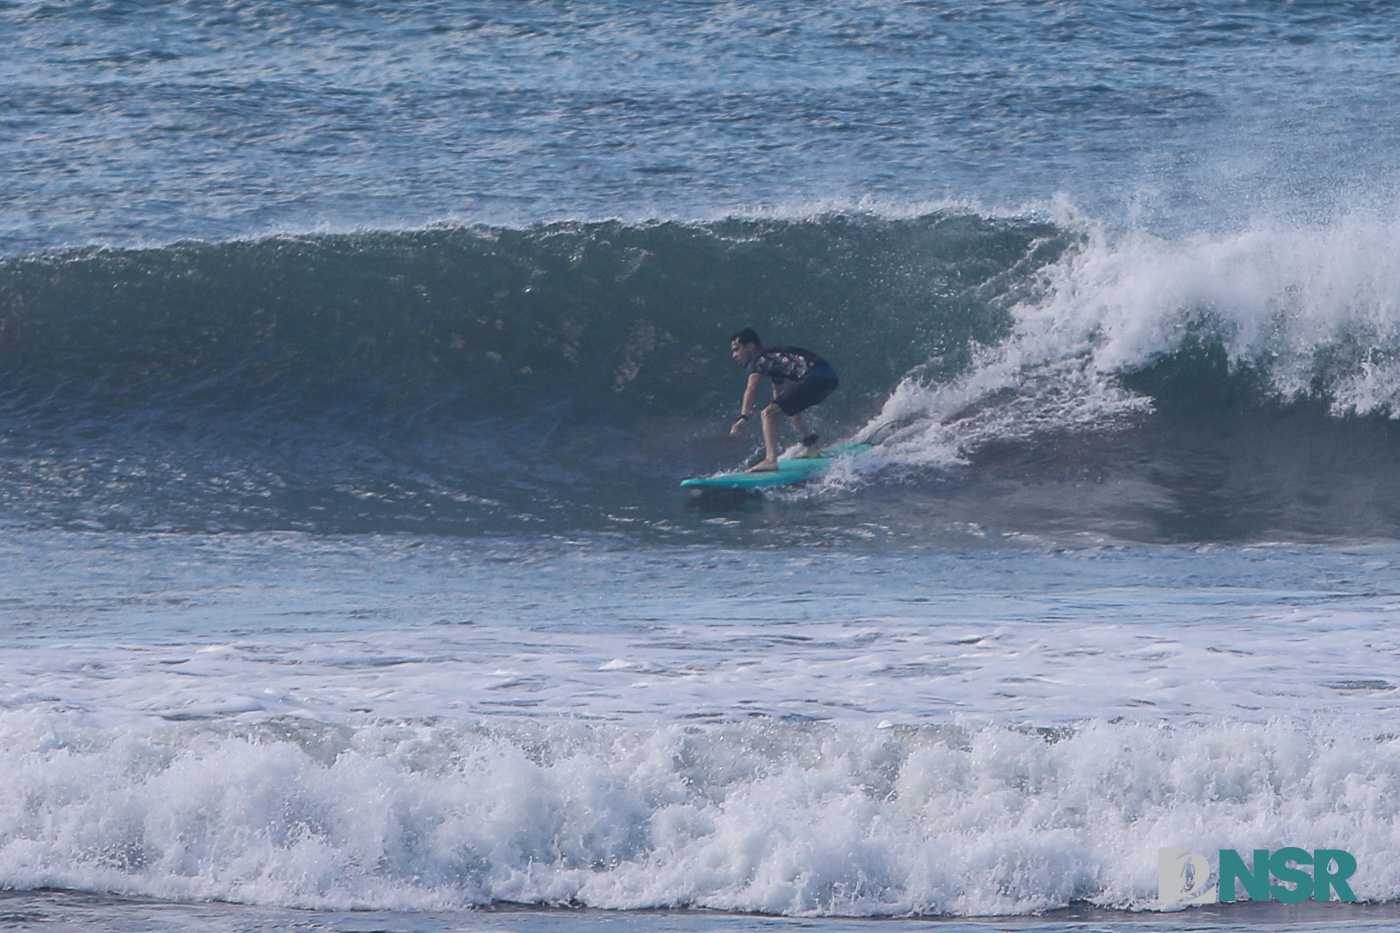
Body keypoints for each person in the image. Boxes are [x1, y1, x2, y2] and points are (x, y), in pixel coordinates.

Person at [728, 328, 839, 472]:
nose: (734, 355)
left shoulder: (759, 359)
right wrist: (779, 414)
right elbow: (780, 397)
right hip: (828, 377)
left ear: (750, 346)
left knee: (767, 413)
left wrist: (743, 417)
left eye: (737, 349)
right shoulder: (774, 359)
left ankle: (770, 460)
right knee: (784, 409)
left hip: (817, 376)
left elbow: (751, 388)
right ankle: (811, 445)